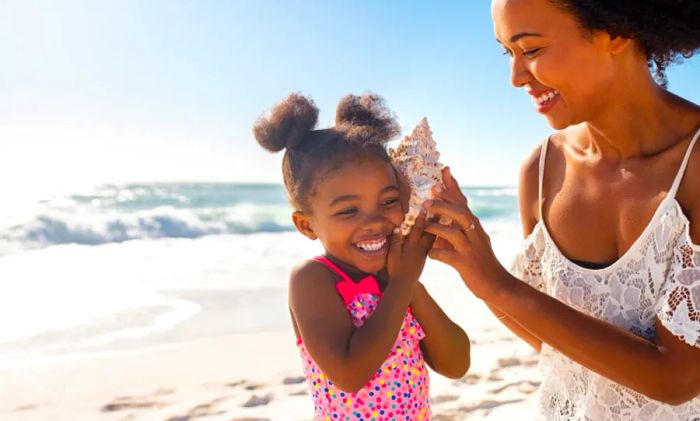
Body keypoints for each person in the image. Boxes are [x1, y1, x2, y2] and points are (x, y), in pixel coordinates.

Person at [423, 0, 700, 419]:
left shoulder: (694, 168)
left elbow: (678, 379)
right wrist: (473, 265)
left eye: (530, 50)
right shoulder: (541, 170)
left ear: (615, 32)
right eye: (507, 53)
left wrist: (498, 285)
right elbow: (550, 343)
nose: (516, 78)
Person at [253, 92, 470, 420]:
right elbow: (350, 375)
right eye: (348, 210)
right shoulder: (313, 279)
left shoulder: (395, 277)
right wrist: (402, 282)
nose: (375, 221)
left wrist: (410, 286)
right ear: (306, 224)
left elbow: (456, 364)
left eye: (387, 201)